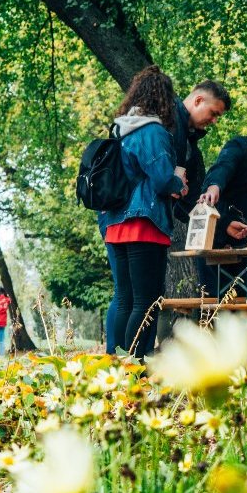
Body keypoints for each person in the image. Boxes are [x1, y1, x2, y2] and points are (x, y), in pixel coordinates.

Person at [98, 65, 182, 356]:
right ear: (162, 99)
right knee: (146, 301)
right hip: (143, 222)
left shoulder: (120, 129)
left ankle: (117, 362)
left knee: (124, 298)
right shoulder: (153, 131)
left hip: (115, 222)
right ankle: (135, 363)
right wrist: (178, 183)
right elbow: (161, 179)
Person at [197, 119, 247, 300]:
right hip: (216, 241)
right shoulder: (238, 147)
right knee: (211, 304)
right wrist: (214, 186)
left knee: (240, 307)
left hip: (246, 245)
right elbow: (223, 167)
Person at [171, 81, 231, 222]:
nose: (214, 121)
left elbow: (193, 197)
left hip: (157, 223)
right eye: (213, 113)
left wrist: (225, 225)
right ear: (198, 100)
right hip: (134, 220)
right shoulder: (164, 117)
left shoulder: (190, 141)